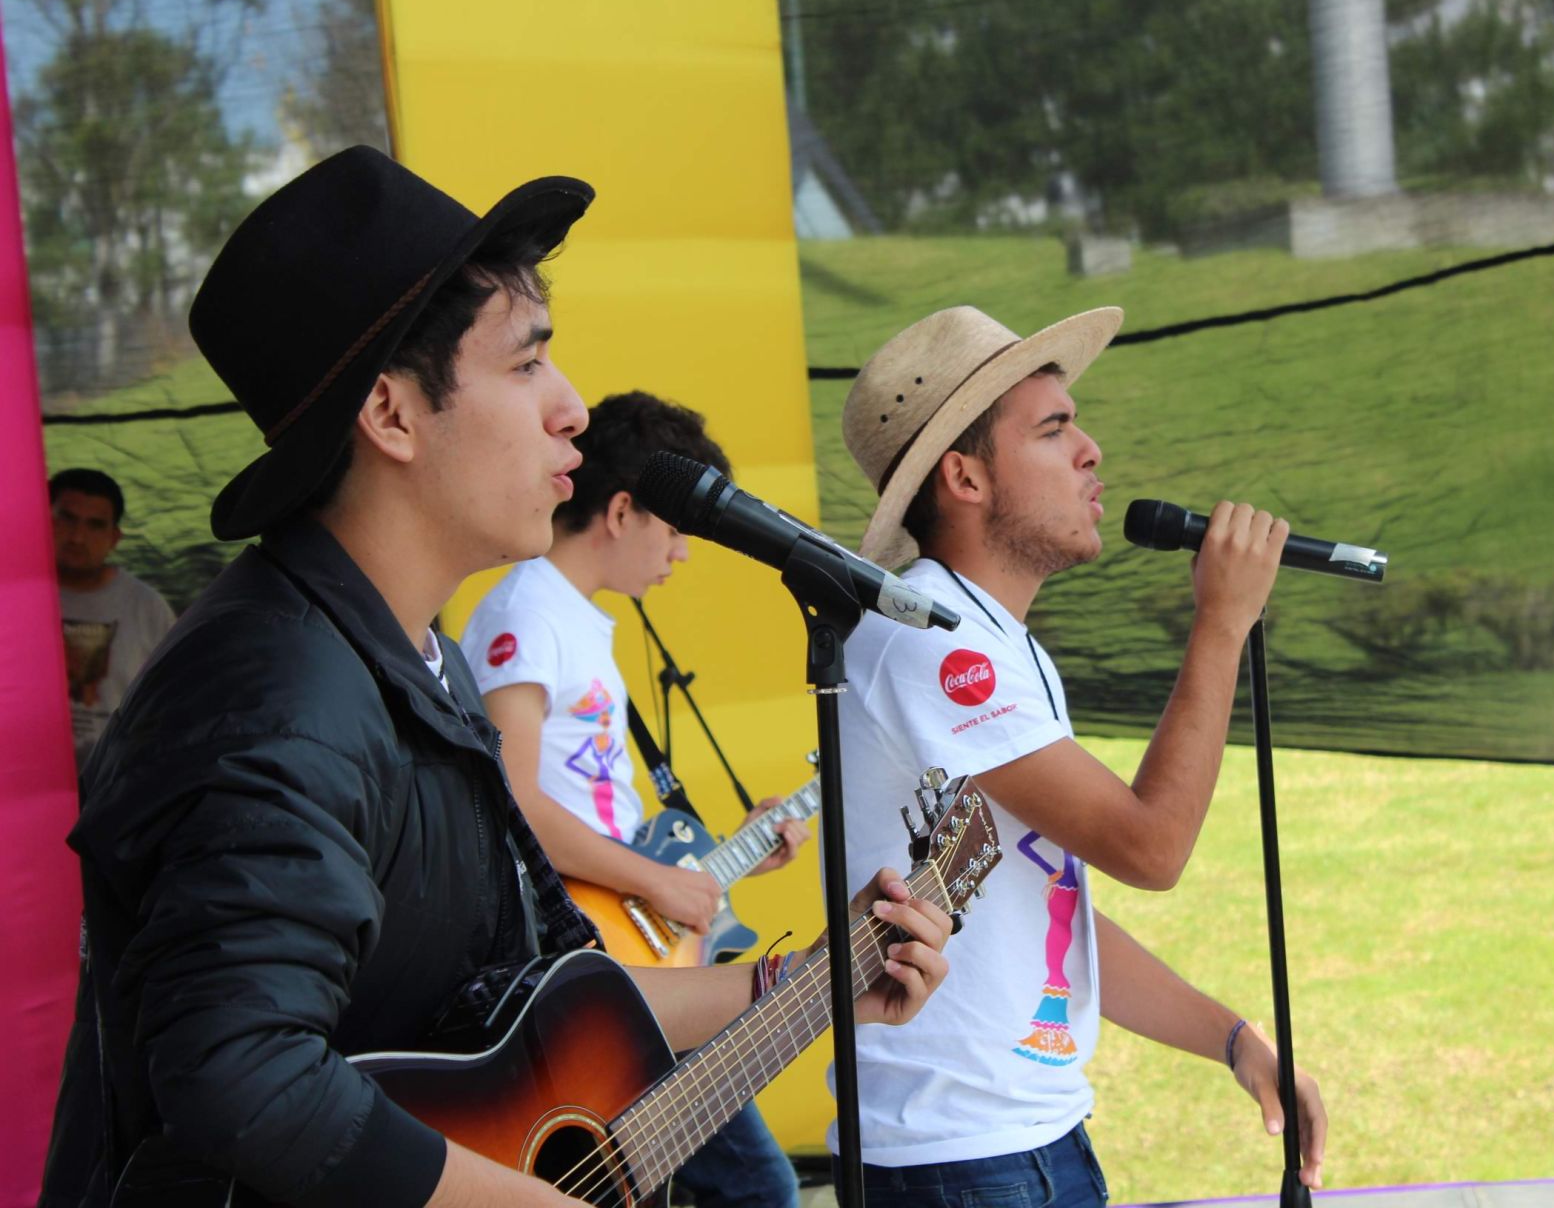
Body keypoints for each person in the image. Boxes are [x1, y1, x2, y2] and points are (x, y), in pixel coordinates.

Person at [39, 147, 950, 1208]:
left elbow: (531, 1012)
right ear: (390, 414)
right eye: (526, 365)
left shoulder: (423, 658)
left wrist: (803, 984)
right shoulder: (272, 697)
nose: (572, 408)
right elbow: (243, 1077)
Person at [829, 305, 1329, 1205]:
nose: (1091, 449)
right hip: (960, 1160)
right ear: (966, 477)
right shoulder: (934, 643)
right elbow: (1151, 849)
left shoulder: (992, 641)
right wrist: (1221, 622)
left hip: (1020, 1141)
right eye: (1054, 429)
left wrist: (1231, 1037)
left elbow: (1041, 909)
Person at [466, 389, 812, 1208]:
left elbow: (600, 815)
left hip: (634, 945)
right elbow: (512, 805)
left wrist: (717, 862)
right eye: (676, 528)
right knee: (758, 1189)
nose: (682, 553)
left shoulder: (576, 619)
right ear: (622, 510)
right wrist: (657, 884)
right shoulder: (524, 609)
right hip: (589, 963)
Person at [49, 468, 176, 768]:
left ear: (114, 536)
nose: (78, 537)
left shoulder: (147, 607)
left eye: (95, 525)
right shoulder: (14, 596)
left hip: (112, 787)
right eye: (67, 519)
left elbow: (173, 701)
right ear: (44, 518)